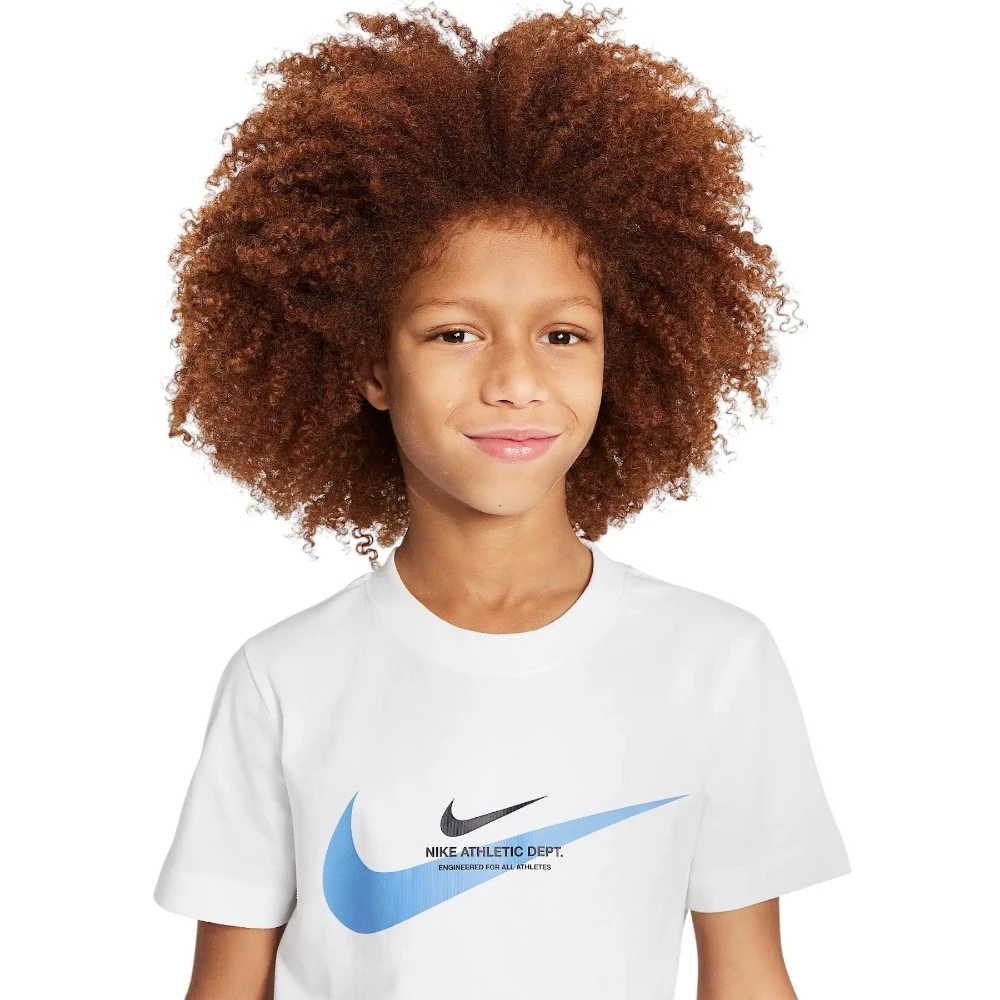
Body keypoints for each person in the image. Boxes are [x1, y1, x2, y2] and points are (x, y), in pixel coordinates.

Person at [152, 4, 851, 998]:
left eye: (562, 336)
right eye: (455, 334)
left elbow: (746, 977)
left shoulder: (714, 662)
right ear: (371, 365)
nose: (516, 381)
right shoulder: (285, 680)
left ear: (617, 357)